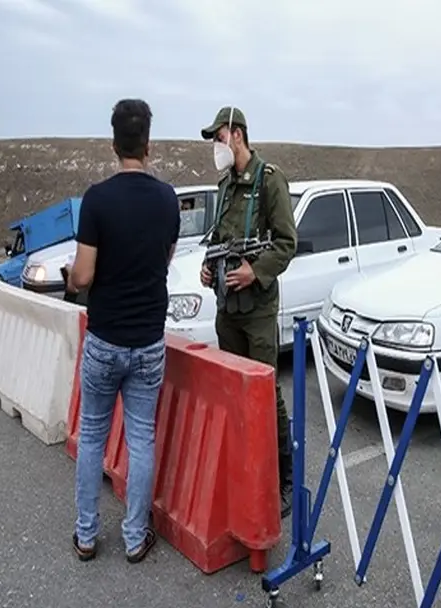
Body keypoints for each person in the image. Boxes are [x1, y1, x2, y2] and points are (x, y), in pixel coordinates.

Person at [65, 98, 180, 564]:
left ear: (114, 144)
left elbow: (84, 276)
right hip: (148, 341)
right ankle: (135, 537)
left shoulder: (97, 199)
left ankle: (87, 536)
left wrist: (73, 275)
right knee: (141, 439)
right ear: (147, 145)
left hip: (105, 336)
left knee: (92, 435)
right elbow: (164, 260)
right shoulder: (168, 199)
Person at [198, 106, 298, 518]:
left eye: (219, 137)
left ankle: (283, 478)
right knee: (234, 390)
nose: (216, 147)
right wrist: (210, 267)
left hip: (256, 311)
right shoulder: (224, 187)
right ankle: (246, 469)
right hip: (228, 309)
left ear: (236, 134)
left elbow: (286, 242)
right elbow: (220, 237)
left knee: (266, 392)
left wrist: (253, 272)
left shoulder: (270, 181)